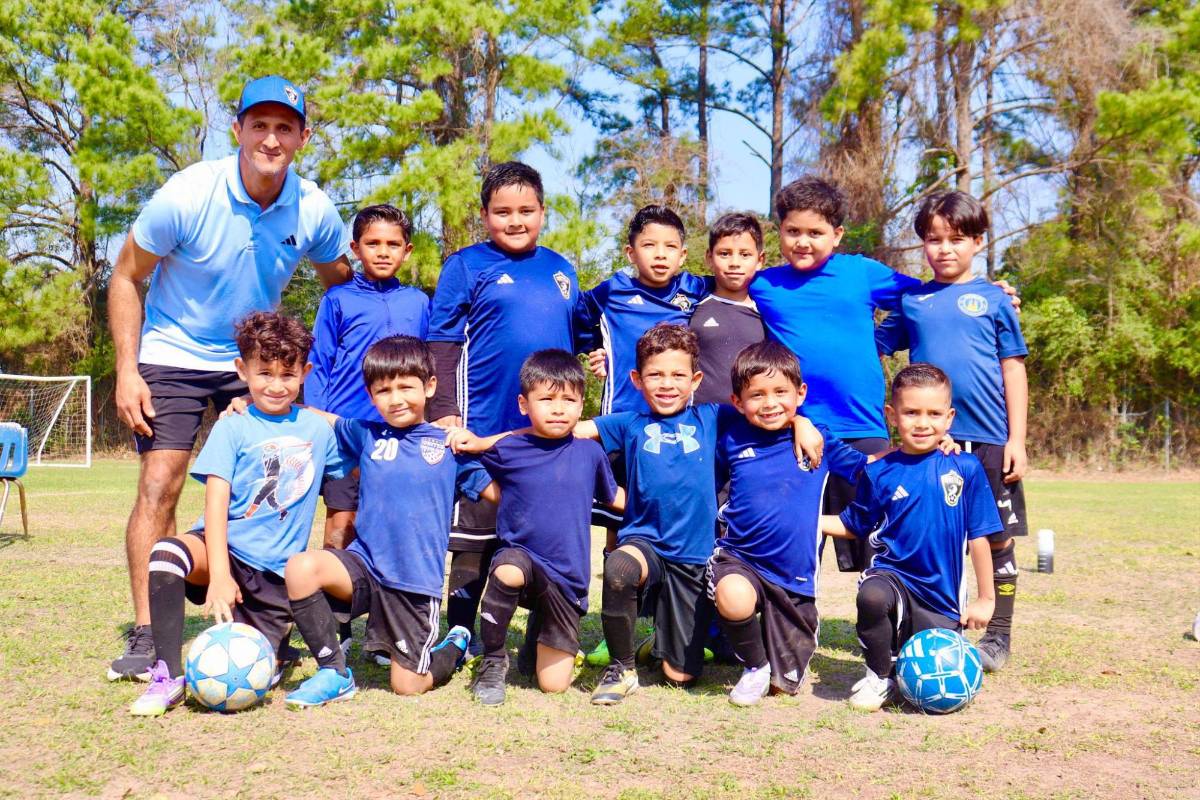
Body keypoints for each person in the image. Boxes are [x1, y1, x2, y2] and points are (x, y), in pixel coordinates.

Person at [106, 75, 353, 681]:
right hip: (173, 352)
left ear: (302, 136)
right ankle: (146, 631)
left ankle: (279, 608)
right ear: (237, 129)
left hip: (255, 363)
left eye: (285, 127)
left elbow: (345, 289)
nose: (271, 138)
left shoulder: (314, 208)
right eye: (259, 125)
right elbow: (124, 277)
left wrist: (317, 377)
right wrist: (126, 370)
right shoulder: (187, 195)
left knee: (280, 480)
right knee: (161, 483)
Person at [749, 176, 1017, 575]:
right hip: (796, 429)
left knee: (881, 538)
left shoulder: (861, 273)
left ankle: (880, 623)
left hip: (863, 428)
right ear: (780, 232)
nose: (803, 241)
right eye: (793, 231)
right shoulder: (764, 284)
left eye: (815, 232)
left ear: (837, 235)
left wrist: (989, 292)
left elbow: (933, 294)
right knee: (797, 535)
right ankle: (790, 622)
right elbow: (720, 293)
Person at [574, 324, 821, 705]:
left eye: (678, 375)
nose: (667, 384)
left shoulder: (715, 417)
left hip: (695, 557)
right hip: (645, 544)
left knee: (681, 676)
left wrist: (801, 422)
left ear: (696, 379)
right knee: (620, 568)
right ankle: (621, 669)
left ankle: (661, 642)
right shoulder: (627, 423)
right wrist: (484, 441)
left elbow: (767, 406)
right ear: (637, 379)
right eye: (656, 374)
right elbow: (567, 430)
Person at [128, 312, 345, 716]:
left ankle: (279, 648)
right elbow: (216, 504)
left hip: (274, 574)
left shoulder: (318, 431)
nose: (276, 386)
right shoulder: (232, 427)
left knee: (259, 666)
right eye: (264, 373)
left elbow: (346, 481)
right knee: (166, 554)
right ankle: (167, 675)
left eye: (287, 374)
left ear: (305, 373)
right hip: (223, 553)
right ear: (242, 370)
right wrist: (221, 577)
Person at [282, 336, 496, 707]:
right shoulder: (366, 434)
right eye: (383, 390)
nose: (395, 398)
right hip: (365, 566)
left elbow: (497, 494)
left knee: (408, 686)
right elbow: (322, 416)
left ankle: (454, 645)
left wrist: (482, 443)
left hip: (413, 582)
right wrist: (253, 402)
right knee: (302, 568)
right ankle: (334, 672)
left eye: (405, 387)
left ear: (429, 386)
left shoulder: (450, 447)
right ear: (370, 394)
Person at [425, 162, 580, 652]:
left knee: (544, 533)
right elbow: (442, 341)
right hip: (481, 426)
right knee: (474, 536)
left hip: (544, 433)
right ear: (484, 215)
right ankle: (462, 635)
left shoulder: (561, 269)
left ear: (542, 212)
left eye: (526, 211)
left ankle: (544, 634)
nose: (516, 221)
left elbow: (572, 341)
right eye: (502, 212)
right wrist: (445, 409)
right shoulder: (467, 265)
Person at [875, 191, 1028, 672]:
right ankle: (926, 621)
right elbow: (871, 343)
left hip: (987, 439)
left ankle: (998, 633)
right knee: (927, 536)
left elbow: (1014, 369)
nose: (944, 249)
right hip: (928, 442)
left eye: (957, 239)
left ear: (978, 242)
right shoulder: (912, 300)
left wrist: (1016, 439)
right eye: (933, 240)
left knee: (996, 537)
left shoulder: (994, 299)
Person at [821, 363, 1000, 712]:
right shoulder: (877, 471)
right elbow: (853, 524)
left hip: (941, 595)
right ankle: (879, 675)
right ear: (892, 415)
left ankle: (904, 659)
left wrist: (986, 599)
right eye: (911, 412)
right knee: (872, 596)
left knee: (931, 682)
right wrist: (805, 521)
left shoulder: (965, 468)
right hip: (894, 576)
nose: (922, 422)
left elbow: (979, 537)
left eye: (933, 413)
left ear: (949, 418)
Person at [448, 350, 620, 705]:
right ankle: (493, 662)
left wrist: (668, 507)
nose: (558, 409)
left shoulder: (590, 454)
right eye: (547, 399)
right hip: (521, 563)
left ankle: (538, 636)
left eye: (569, 400)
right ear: (524, 404)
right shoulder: (510, 448)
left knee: (553, 684)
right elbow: (464, 460)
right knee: (508, 567)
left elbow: (614, 497)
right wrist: (493, 490)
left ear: (580, 404)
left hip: (567, 581)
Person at [709, 342, 869, 706]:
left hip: (794, 575)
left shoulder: (818, 440)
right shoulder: (731, 441)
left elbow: (871, 471)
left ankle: (779, 654)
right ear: (737, 401)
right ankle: (754, 666)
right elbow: (711, 490)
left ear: (801, 394)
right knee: (733, 596)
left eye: (780, 392)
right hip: (741, 559)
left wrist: (928, 449)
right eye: (757, 395)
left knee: (785, 688)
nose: (769, 403)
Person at [304, 203, 429, 656]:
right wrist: (316, 420)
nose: (382, 251)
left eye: (392, 244)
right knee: (342, 526)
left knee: (389, 531)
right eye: (372, 243)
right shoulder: (337, 300)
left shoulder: (419, 302)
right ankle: (332, 629)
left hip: (399, 437)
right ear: (355, 249)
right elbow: (318, 363)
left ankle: (385, 631)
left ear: (407, 250)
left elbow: (429, 366)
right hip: (344, 435)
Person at [575, 205, 712, 415]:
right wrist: (599, 347)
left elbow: (733, 289)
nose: (660, 254)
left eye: (670, 246)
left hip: (678, 421)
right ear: (631, 253)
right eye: (649, 245)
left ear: (682, 255)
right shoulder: (614, 290)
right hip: (621, 418)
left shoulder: (694, 288)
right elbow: (572, 319)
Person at [689, 213, 767, 405]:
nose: (734, 263)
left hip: (752, 425)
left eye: (745, 254)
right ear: (709, 257)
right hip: (700, 424)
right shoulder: (691, 307)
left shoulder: (768, 313)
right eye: (724, 253)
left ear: (760, 260)